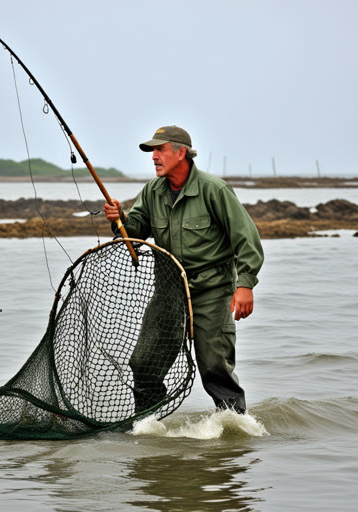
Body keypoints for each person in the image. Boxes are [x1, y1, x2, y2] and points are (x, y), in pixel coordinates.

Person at [104, 126, 264, 413]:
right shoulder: (152, 191)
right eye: (152, 151)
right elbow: (135, 232)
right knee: (143, 365)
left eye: (159, 149)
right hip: (168, 293)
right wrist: (119, 219)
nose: (153, 156)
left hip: (212, 292)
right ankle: (147, 429)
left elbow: (247, 238)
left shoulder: (214, 189)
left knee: (216, 368)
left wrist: (245, 285)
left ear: (181, 153)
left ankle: (234, 432)